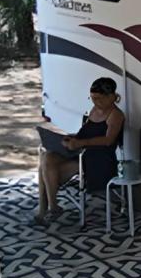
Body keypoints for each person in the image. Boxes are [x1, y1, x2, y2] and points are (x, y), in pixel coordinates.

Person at [36, 77, 125, 224]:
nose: (95, 102)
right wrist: (71, 138)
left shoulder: (116, 115)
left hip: (99, 159)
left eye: (99, 98)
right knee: (47, 157)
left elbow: (108, 140)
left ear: (111, 97)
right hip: (83, 152)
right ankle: (50, 206)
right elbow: (86, 132)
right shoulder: (94, 110)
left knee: (47, 167)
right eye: (93, 98)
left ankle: (49, 207)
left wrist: (80, 143)